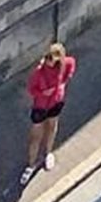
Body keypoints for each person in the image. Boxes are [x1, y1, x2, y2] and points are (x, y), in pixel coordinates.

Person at [22, 41, 75, 185]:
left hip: (56, 102)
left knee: (52, 127)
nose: (48, 61)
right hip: (40, 106)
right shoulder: (39, 72)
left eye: (52, 59)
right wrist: (43, 93)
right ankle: (30, 165)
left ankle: (48, 153)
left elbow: (71, 64)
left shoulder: (63, 65)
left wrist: (63, 83)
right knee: (35, 136)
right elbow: (31, 89)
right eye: (47, 57)